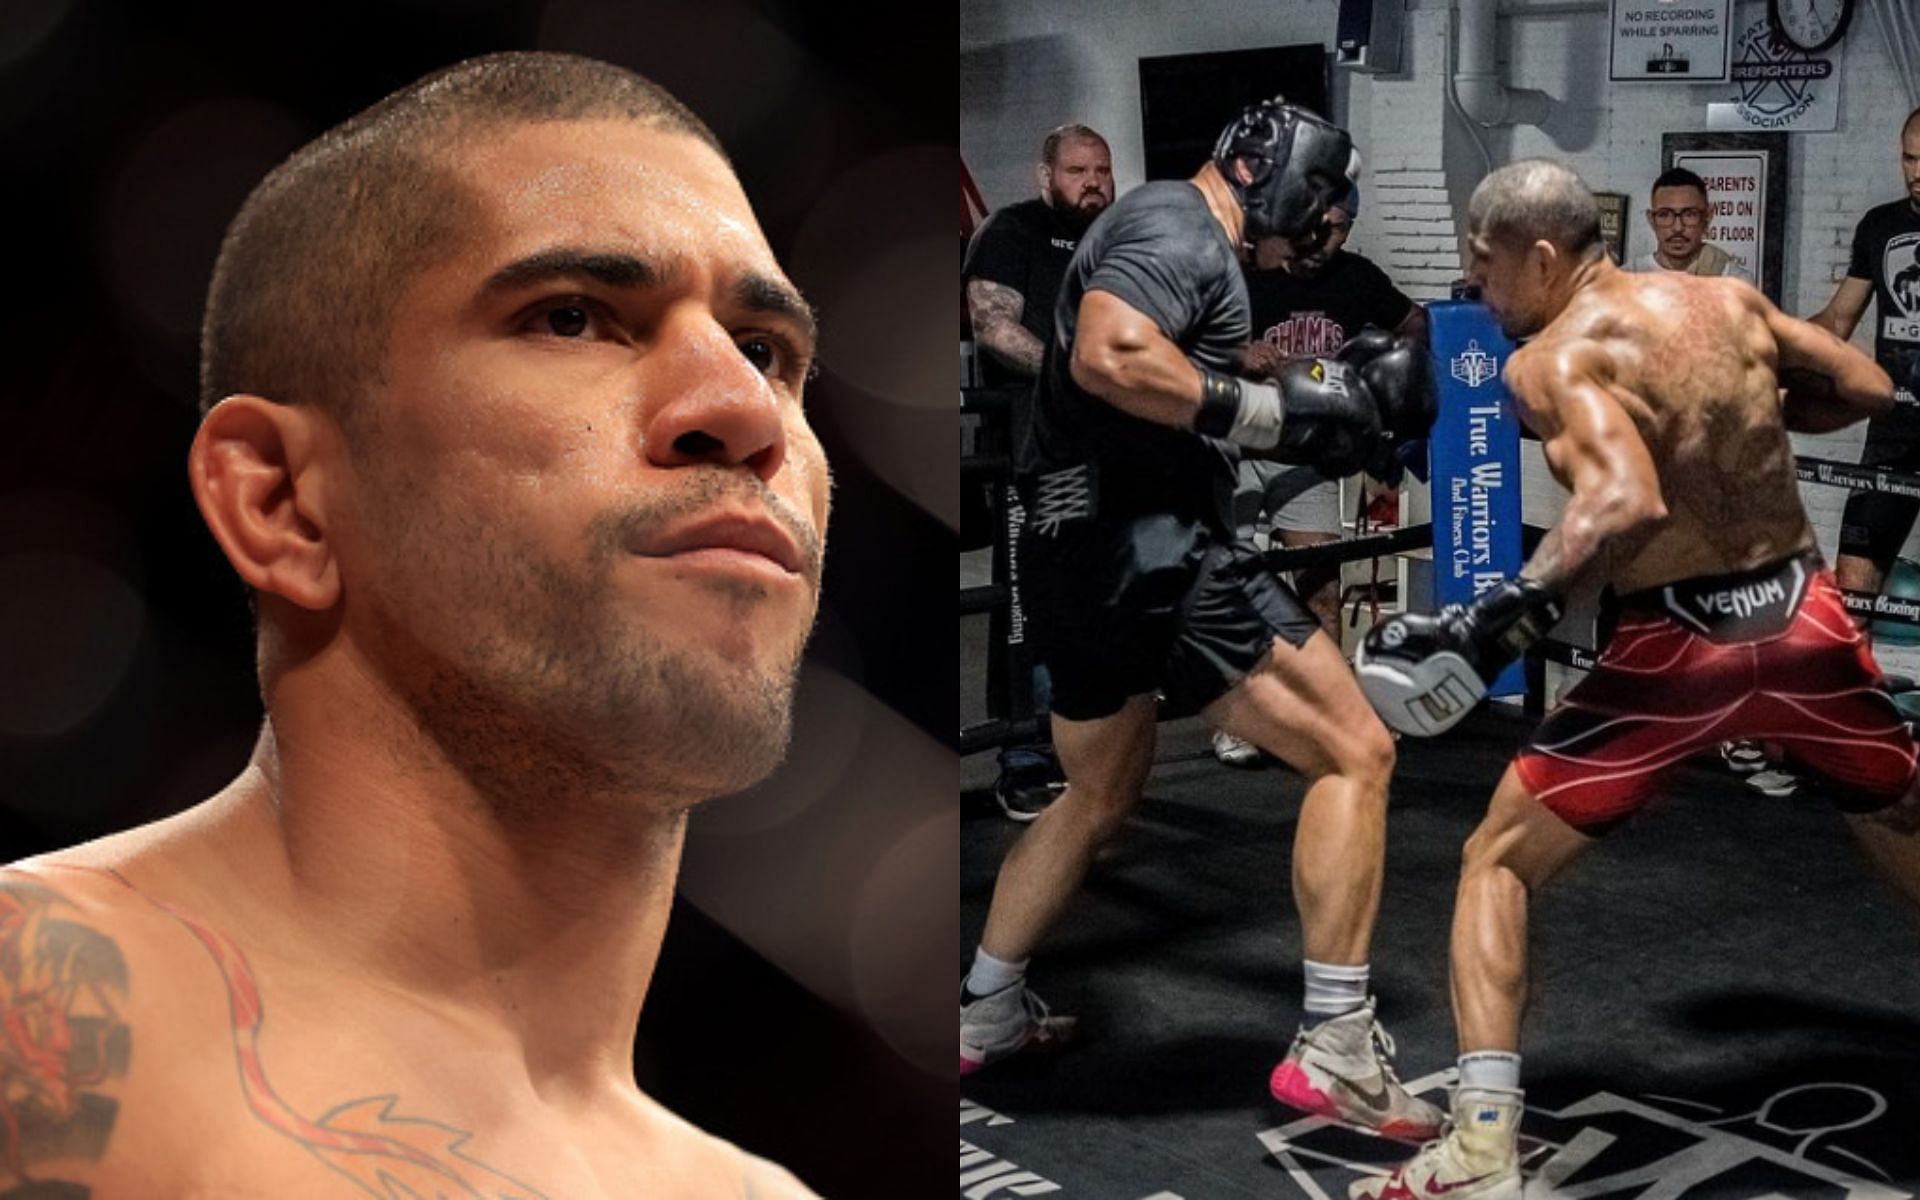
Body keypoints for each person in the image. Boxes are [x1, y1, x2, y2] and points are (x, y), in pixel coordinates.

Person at [0, 52, 825, 1197]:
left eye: (768, 351)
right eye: (575, 318)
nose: (742, 411)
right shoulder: (29, 1004)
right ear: (283, 499)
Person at [1352, 159, 1920, 1200]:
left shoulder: (1550, 362)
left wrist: (1499, 613)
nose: (1479, 293)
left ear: (1541, 254)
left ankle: (1480, 1149)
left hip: (1679, 649)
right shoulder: (1726, 299)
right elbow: (1873, 386)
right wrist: (1745, 413)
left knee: (1496, 865)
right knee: (1897, 813)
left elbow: (1623, 501)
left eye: (1483, 269)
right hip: (1802, 618)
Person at [959, 97, 1445, 1141]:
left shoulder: (1172, 233)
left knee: (1097, 791)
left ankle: (987, 1011)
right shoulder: (1179, 227)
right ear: (1272, 172)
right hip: (1151, 550)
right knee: (1356, 753)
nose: (1320, 223)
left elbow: (1167, 389)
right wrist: (1273, 413)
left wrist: (1308, 411)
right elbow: (1110, 356)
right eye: (1318, 198)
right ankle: (1338, 1049)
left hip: (1070, 544)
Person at [1214, 181, 1426, 766]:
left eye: (1336, 228)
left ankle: (1326, 716)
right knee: (1228, 588)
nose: (1322, 239)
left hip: (1304, 453)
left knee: (1321, 590)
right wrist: (1238, 353)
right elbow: (1180, 337)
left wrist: (1385, 372)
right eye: (1315, 225)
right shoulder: (1244, 269)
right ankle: (1244, 719)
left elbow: (1415, 321)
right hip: (1232, 447)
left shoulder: (1357, 278)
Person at [964, 124, 1115, 819]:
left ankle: (1086, 753)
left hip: (1114, 453)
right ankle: (1023, 753)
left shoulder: (1117, 240)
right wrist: (1073, 372)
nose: (1093, 181)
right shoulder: (1013, 231)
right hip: (1042, 453)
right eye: (1078, 168)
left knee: (1098, 608)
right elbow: (995, 326)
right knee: (1030, 607)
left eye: (1102, 170)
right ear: (1045, 174)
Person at [1814, 108, 1920, 610]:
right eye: (1909, 158)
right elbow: (1838, 321)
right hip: (1892, 434)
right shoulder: (1881, 226)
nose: (1917, 172)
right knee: (1852, 588)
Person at [1626, 166, 1753, 282]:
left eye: (1689, 214)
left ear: (1707, 217)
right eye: (1664, 215)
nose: (1678, 228)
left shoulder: (1734, 281)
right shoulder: (1625, 279)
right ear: (1651, 220)